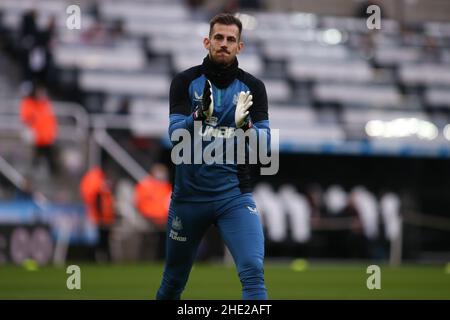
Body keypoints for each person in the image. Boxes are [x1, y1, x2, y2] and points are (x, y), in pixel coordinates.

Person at [156, 13, 270, 300]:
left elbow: (265, 145)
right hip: (188, 200)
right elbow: (174, 137)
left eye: (231, 39)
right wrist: (197, 117)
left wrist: (247, 126)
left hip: (234, 198)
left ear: (239, 47)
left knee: (253, 271)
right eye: (218, 38)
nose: (224, 44)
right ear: (207, 42)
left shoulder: (253, 88)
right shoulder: (184, 81)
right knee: (173, 282)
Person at [19, 83, 59, 175]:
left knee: (48, 158)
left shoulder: (45, 105)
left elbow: (51, 121)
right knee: (39, 157)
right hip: (39, 137)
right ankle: (33, 173)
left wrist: (52, 133)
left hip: (46, 137)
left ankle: (50, 172)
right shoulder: (32, 104)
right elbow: (27, 119)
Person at [80, 167, 115, 262]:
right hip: (102, 219)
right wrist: (100, 217)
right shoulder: (99, 190)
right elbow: (99, 204)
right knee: (100, 240)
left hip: (104, 218)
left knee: (103, 240)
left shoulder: (101, 190)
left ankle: (103, 259)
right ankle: (97, 259)